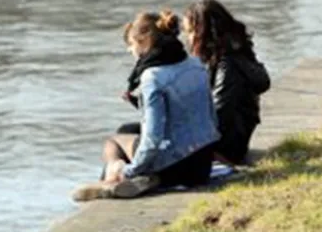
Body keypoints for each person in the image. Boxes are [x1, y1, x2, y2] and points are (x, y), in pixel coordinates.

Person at [72, 11, 221, 202]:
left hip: (176, 164)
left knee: (113, 142)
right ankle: (149, 180)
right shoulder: (195, 64)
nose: (130, 51)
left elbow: (153, 138)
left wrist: (129, 169)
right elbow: (210, 116)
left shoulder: (152, 77)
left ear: (143, 42)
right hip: (202, 164)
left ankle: (112, 183)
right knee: (126, 129)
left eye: (131, 45)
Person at [183, 0, 271, 165]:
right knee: (133, 132)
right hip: (225, 140)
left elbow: (220, 117)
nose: (189, 38)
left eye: (191, 31)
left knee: (131, 135)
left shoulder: (228, 65)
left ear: (204, 32)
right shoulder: (228, 55)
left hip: (226, 147)